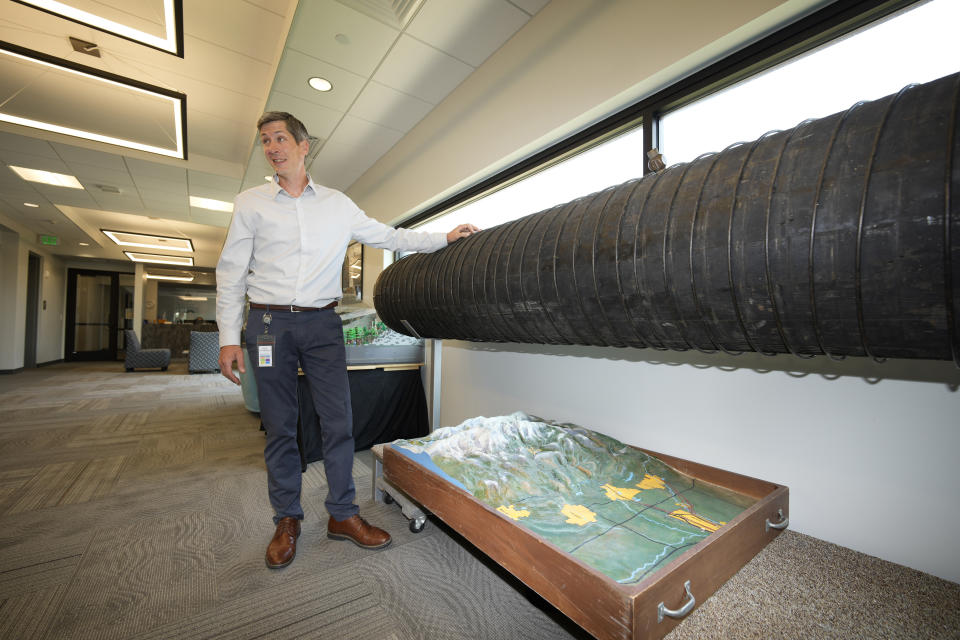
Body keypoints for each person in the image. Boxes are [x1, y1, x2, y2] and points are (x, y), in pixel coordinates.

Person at [216, 111, 478, 569]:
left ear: (303, 146)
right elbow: (231, 272)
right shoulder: (250, 202)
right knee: (281, 425)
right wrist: (226, 337)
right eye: (265, 140)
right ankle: (287, 519)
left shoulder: (337, 205)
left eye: (280, 138)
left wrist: (445, 237)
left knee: (339, 423)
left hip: (321, 325)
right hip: (268, 327)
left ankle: (343, 514)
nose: (272, 147)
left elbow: (390, 234)